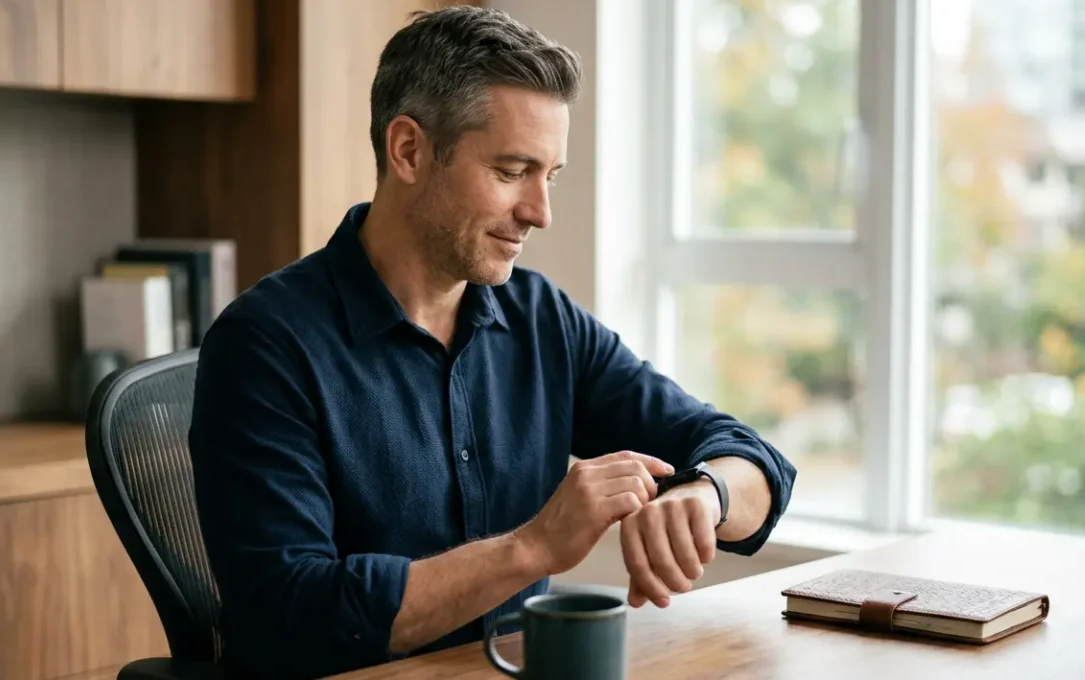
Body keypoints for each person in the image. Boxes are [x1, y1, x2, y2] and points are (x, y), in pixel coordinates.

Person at [188, 6, 797, 679]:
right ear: (409, 150)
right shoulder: (264, 346)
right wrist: (533, 548)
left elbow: (753, 459)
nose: (540, 211)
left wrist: (703, 494)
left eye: (551, 175)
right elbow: (292, 615)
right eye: (512, 172)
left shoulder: (541, 319)